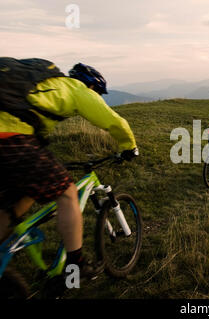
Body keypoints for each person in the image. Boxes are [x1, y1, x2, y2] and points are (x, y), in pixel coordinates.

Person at [0, 60, 139, 278]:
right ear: (92, 86)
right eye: (98, 93)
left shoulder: (48, 85)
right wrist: (129, 146)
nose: (98, 96)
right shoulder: (77, 89)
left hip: (12, 138)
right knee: (68, 193)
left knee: (22, 196)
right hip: (11, 139)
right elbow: (113, 121)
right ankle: (76, 264)